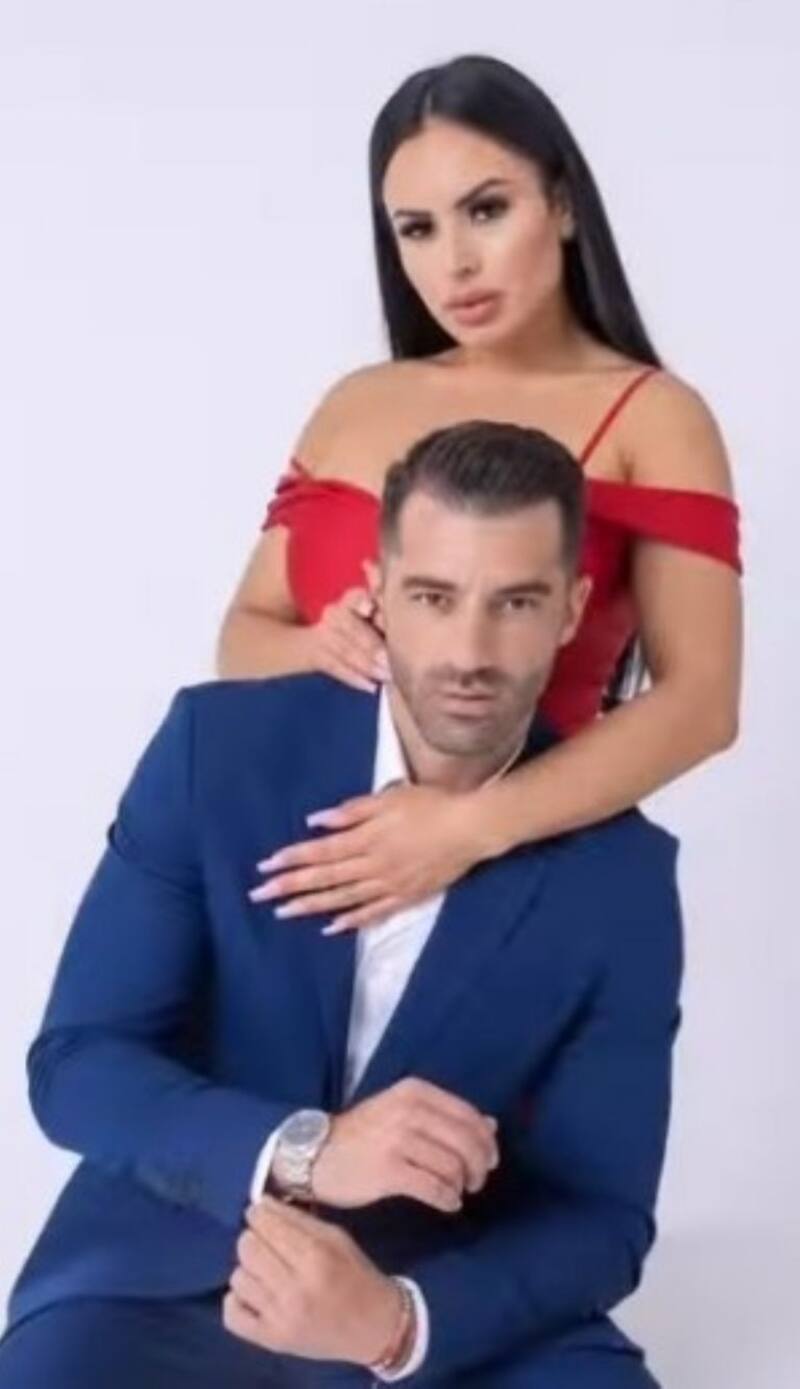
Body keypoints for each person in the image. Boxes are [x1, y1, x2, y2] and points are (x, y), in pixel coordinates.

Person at [0, 422, 681, 1387]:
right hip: (166, 1277)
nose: (470, 651)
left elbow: (602, 1214)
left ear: (572, 609)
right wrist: (304, 1151)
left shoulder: (622, 875)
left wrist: (399, 1323)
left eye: (516, 602)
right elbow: (78, 1063)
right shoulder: (216, 750)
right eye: (434, 597)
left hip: (449, 1301)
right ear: (378, 589)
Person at [217, 53, 741, 933]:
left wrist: (464, 831)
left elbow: (701, 704)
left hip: (510, 874)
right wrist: (319, 645)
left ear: (563, 204)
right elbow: (241, 637)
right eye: (417, 229)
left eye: (487, 210)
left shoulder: (654, 417)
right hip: (289, 861)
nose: (455, 261)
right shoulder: (357, 402)